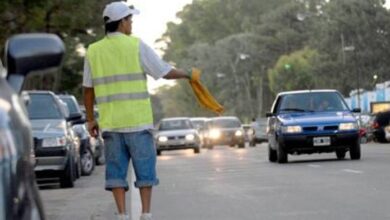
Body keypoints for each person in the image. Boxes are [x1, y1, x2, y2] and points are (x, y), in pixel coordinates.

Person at [82, 2, 192, 220]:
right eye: (130, 20)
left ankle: (122, 215)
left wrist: (91, 120)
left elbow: (87, 89)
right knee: (145, 172)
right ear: (122, 22)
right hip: (138, 123)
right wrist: (188, 74)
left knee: (115, 174)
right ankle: (146, 214)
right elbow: (163, 71)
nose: (131, 24)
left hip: (112, 125)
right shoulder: (136, 46)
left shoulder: (93, 51)